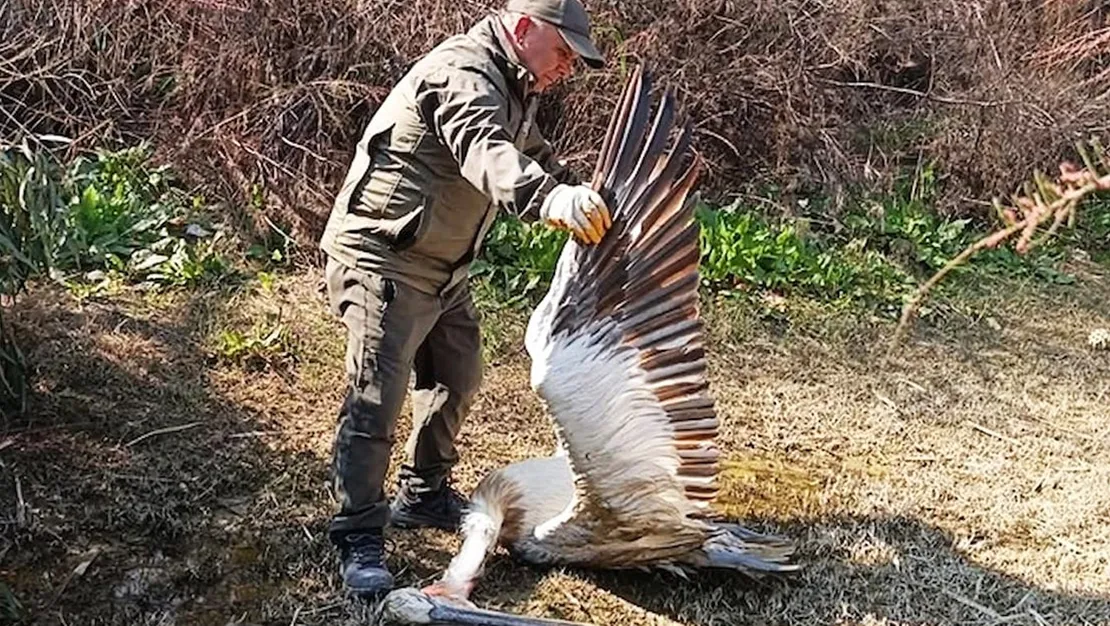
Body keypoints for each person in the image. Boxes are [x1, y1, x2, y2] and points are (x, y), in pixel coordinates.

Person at [317, 0, 611, 598]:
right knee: (378, 397)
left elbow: (529, 151)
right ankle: (357, 533)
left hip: (441, 267)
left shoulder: (514, 82)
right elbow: (487, 151)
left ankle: (423, 495)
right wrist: (548, 201)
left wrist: (577, 186)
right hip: (383, 257)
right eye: (562, 52)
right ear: (525, 28)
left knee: (459, 373)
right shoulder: (463, 73)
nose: (566, 69)